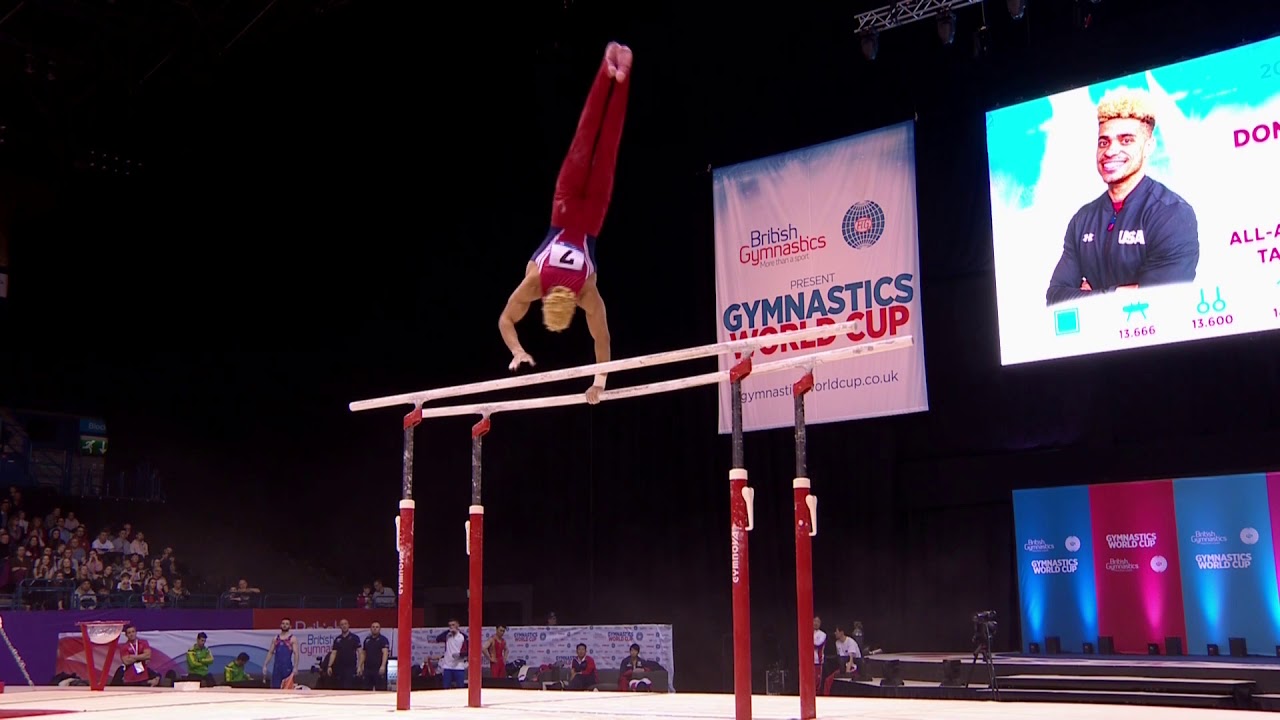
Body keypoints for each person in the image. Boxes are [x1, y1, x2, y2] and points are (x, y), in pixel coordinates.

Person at [499, 41, 633, 404]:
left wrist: (599, 384)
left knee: (607, 145)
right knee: (586, 136)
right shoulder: (535, 282)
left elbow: (602, 340)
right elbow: (505, 322)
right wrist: (516, 350)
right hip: (563, 207)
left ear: (570, 305)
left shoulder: (587, 292)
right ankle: (608, 70)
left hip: (592, 219)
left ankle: (622, 73)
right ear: (546, 301)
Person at [1045, 87, 1199, 306]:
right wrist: (1119, 293)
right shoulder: (1082, 219)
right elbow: (1055, 298)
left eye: (1126, 140)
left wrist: (1092, 294)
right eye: (1103, 142)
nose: (1110, 151)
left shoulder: (1173, 214)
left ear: (1148, 147)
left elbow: (1160, 302)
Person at [263, 618, 299, 689]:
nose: (285, 625)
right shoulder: (276, 638)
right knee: (275, 689)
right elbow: (270, 652)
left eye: (287, 624)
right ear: (280, 625)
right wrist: (265, 664)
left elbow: (296, 653)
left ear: (290, 626)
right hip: (277, 668)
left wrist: (295, 667)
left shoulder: (292, 639)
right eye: (283, 623)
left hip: (287, 668)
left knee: (287, 689)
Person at [327, 619, 361, 690]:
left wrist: (360, 666)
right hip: (339, 668)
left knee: (348, 687)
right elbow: (333, 653)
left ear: (348, 625)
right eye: (342, 624)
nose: (344, 626)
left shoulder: (355, 638)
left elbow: (360, 652)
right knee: (339, 687)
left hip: (350, 667)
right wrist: (329, 666)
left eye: (345, 624)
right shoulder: (337, 639)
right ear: (340, 627)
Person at [435, 619, 468, 689]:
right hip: (447, 666)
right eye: (450, 625)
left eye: (453, 625)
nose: (451, 627)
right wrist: (448, 631)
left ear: (458, 625)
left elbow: (468, 651)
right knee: (446, 687)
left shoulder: (463, 637)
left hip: (459, 665)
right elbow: (438, 639)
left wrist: (460, 654)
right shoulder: (447, 635)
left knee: (460, 687)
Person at [360, 622, 391, 691]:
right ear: (370, 629)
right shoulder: (367, 640)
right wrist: (360, 665)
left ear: (380, 629)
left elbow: (385, 653)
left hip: (378, 668)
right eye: (373, 627)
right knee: (366, 689)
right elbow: (363, 653)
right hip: (368, 668)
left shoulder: (383, 640)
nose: (375, 628)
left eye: (377, 627)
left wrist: (383, 666)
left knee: (380, 689)